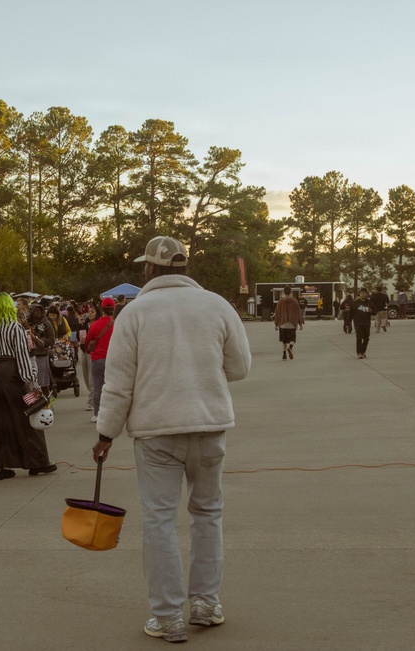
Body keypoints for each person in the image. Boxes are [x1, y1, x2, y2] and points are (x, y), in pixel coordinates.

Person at [91, 235, 251, 643]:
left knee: (160, 520)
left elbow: (118, 383)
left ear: (149, 268)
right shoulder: (216, 304)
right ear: (184, 266)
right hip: (209, 425)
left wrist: (106, 433)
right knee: (208, 513)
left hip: (156, 432)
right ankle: (205, 603)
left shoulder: (135, 312)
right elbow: (240, 368)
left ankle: (167, 616)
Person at [0, 293, 56, 480]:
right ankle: (37, 462)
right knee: (28, 414)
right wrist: (33, 383)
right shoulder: (15, 328)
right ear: (9, 306)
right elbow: (23, 358)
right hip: (13, 375)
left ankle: (0, 467)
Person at [85, 298, 116, 423]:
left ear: (101, 309)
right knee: (111, 388)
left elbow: (87, 343)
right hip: (112, 360)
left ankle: (97, 414)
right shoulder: (116, 324)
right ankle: (110, 413)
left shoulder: (95, 325)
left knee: (97, 387)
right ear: (113, 310)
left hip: (97, 359)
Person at [26, 304, 55, 396]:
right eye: (36, 310)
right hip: (29, 356)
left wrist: (38, 340)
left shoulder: (46, 323)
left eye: (40, 310)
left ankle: (47, 403)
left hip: (41, 355)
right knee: (31, 383)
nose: (38, 312)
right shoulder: (27, 323)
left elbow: (51, 340)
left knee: (42, 383)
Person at [274, 286, 304, 360]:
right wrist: (300, 323)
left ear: (284, 292)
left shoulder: (280, 302)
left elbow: (277, 313)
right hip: (292, 323)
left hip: (282, 323)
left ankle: (284, 355)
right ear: (291, 292)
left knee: (284, 340)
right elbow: (298, 312)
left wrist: (276, 324)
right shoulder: (294, 301)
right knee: (292, 339)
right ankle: (290, 347)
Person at [353, 288, 375, 359]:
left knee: (366, 338)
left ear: (367, 294)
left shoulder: (370, 303)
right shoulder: (355, 303)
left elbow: (375, 312)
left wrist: (370, 311)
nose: (363, 294)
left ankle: (363, 351)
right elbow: (351, 313)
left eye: (364, 293)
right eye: (361, 293)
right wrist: (348, 322)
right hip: (358, 323)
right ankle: (359, 352)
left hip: (366, 323)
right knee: (359, 337)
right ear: (359, 294)